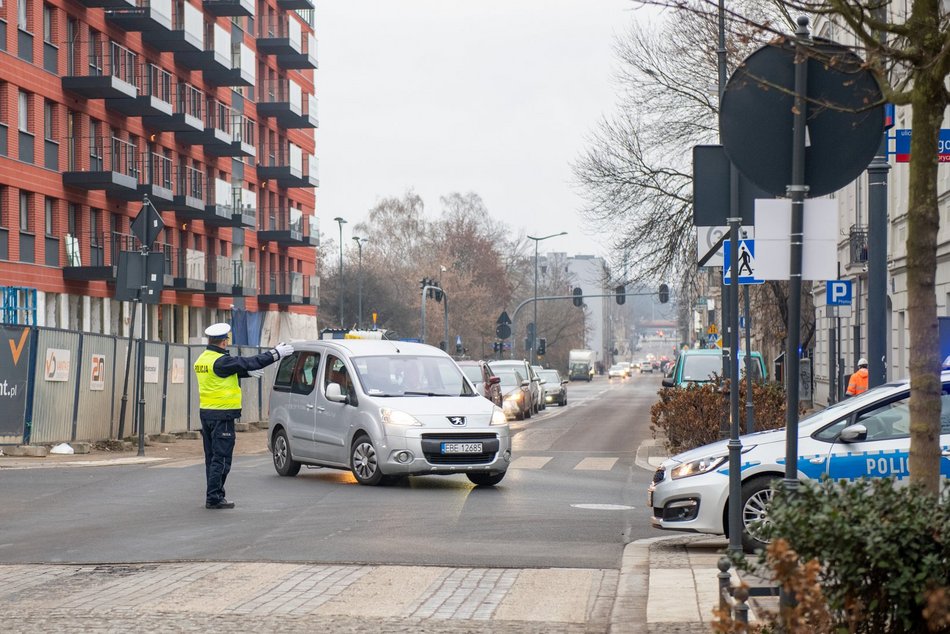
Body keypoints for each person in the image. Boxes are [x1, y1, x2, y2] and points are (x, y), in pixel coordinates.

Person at [193, 323, 294, 509]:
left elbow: (225, 374)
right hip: (222, 415)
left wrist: (245, 373)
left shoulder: (203, 359)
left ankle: (214, 494)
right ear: (224, 341)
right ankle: (214, 497)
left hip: (207, 414)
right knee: (222, 458)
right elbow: (247, 362)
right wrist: (275, 354)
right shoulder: (220, 360)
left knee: (212, 457)